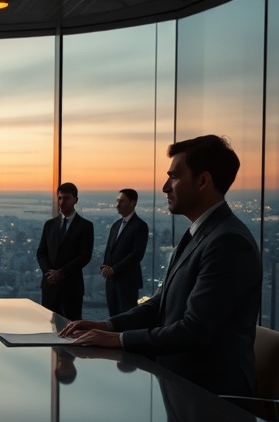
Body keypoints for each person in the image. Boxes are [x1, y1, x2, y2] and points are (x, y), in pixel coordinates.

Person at [60, 135, 261, 397]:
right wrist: (107, 326)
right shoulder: (200, 234)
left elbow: (194, 330)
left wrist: (118, 340)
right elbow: (161, 303)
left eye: (174, 177)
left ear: (202, 181)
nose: (165, 187)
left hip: (212, 401)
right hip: (180, 387)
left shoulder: (228, 242)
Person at [36, 182, 94, 320]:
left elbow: (84, 256)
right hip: (50, 286)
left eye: (66, 198)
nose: (62, 202)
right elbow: (41, 253)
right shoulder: (49, 225)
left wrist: (61, 273)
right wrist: (49, 273)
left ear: (76, 200)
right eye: (60, 198)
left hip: (71, 287)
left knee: (71, 327)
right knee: (48, 326)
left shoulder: (85, 226)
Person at [100, 188, 149, 316]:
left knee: (126, 320)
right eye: (117, 201)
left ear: (133, 203)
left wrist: (113, 270)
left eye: (122, 201)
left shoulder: (140, 226)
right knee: (113, 318)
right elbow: (109, 250)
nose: (117, 205)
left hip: (127, 282)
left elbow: (137, 254)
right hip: (111, 282)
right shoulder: (116, 225)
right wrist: (105, 267)